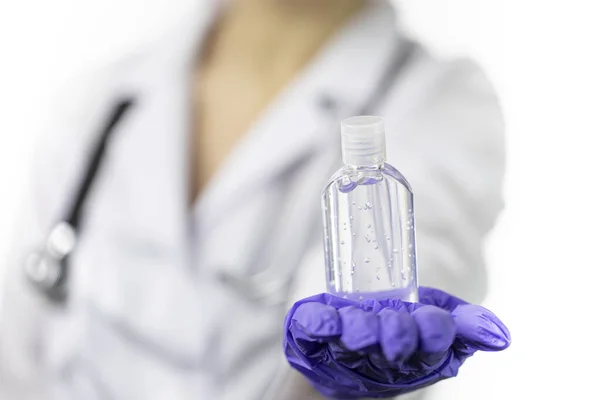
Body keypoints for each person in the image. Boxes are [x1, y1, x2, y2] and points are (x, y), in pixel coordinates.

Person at [0, 0, 509, 399]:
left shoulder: (438, 104)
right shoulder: (103, 99)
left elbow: (409, 285)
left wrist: (343, 386)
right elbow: (15, 366)